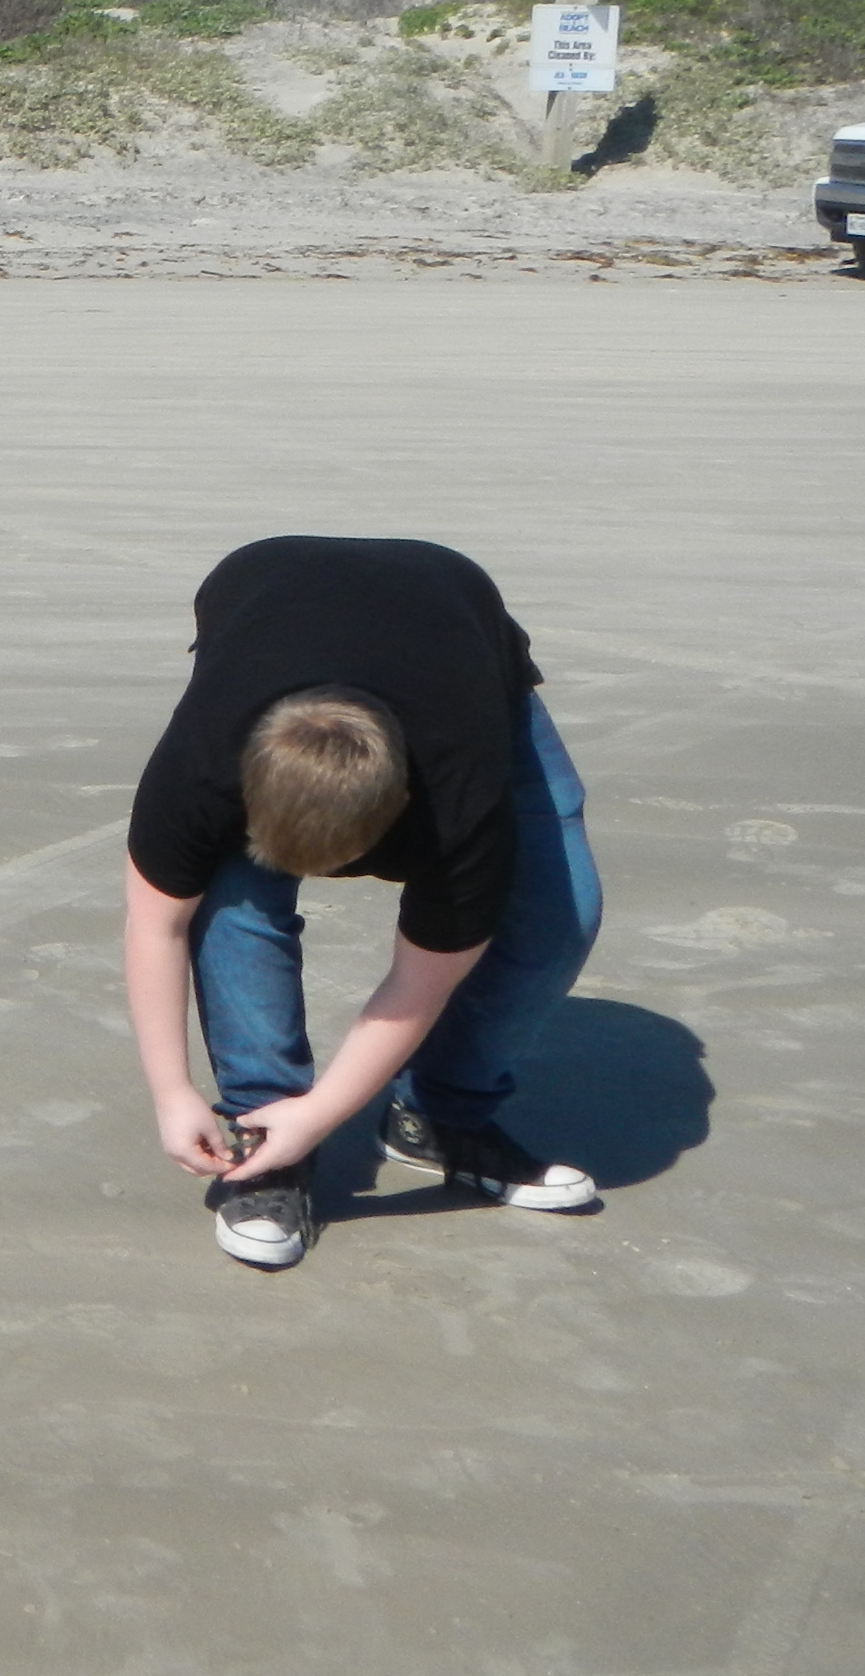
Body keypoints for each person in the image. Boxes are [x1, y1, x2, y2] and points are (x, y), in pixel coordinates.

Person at [122, 536, 603, 1268]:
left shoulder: (461, 799)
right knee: (235, 899)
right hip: (262, 592)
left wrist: (324, 1113)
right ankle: (262, 1137)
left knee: (560, 909)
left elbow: (420, 980)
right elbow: (156, 924)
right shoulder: (201, 769)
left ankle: (438, 1114)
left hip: (455, 628)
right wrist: (170, 1091)